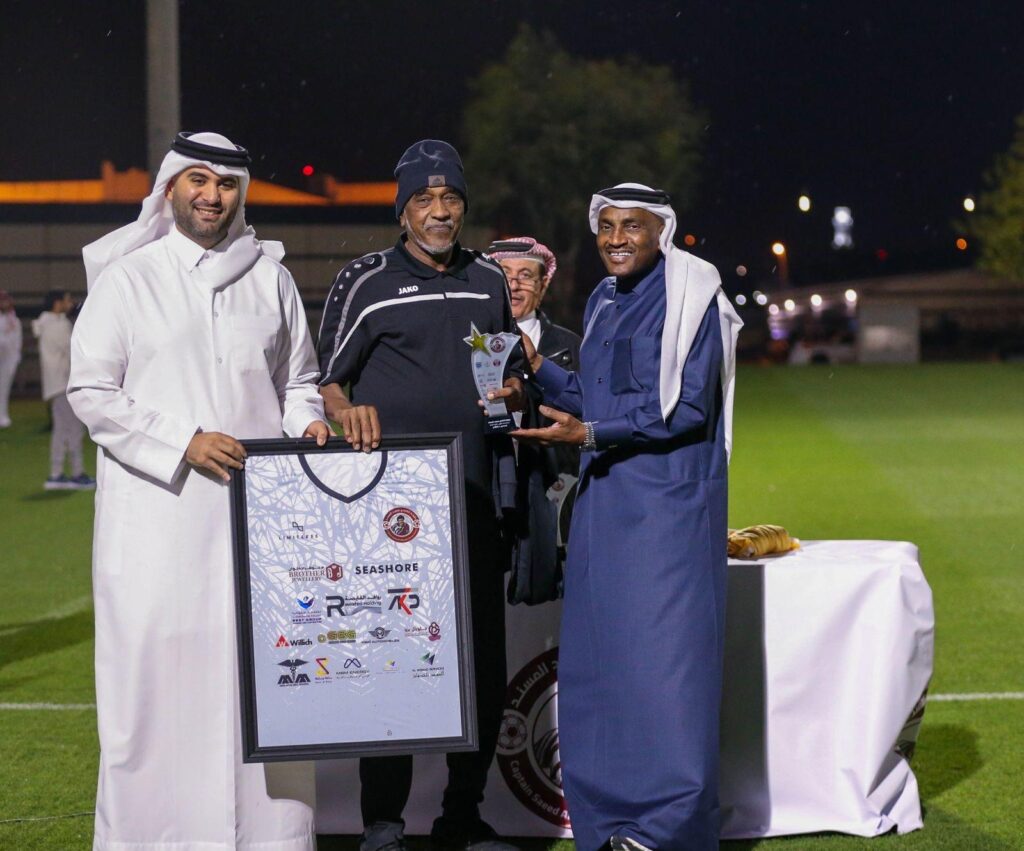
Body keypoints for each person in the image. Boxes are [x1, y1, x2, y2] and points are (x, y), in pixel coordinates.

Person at [69, 131, 329, 851]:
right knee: (152, 690)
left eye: (226, 184)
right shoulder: (130, 278)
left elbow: (299, 381)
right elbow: (90, 389)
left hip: (259, 526)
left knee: (261, 683)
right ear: (171, 188)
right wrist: (182, 440)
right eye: (199, 181)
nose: (213, 196)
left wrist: (308, 424)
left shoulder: (270, 277)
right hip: (156, 523)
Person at [512, 183, 742, 851]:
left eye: (631, 226)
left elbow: (688, 408)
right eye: (606, 225)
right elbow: (597, 397)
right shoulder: (603, 298)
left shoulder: (693, 294)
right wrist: (537, 372)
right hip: (605, 503)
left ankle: (668, 830)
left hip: (668, 508)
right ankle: (610, 824)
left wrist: (588, 435)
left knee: (666, 673)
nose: (616, 239)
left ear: (660, 230)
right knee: (601, 667)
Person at [317, 139, 524, 851]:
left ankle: (462, 815)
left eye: (451, 198)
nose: (440, 211)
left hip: (474, 501)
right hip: (390, 515)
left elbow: (506, 370)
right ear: (402, 210)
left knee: (481, 667)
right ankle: (382, 824)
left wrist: (512, 390)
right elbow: (326, 381)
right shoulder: (365, 280)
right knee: (393, 661)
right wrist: (345, 412)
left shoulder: (489, 278)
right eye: (425, 199)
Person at [486, 238, 581, 602]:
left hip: (557, 486)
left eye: (526, 275)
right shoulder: (470, 343)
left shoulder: (573, 345)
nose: (514, 284)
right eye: (504, 275)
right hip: (492, 483)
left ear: (543, 286)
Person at [32, 289, 94, 489]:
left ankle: (56, 474)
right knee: (74, 429)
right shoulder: (57, 325)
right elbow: (75, 349)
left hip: (57, 384)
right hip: (63, 383)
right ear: (57, 303)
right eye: (67, 300)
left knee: (61, 431)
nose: (70, 303)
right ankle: (76, 473)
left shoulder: (50, 323)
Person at [0, 289, 21, 427]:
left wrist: (16, 357)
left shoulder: (14, 319)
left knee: (4, 389)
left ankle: (2, 416)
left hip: (8, 360)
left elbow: (17, 340)